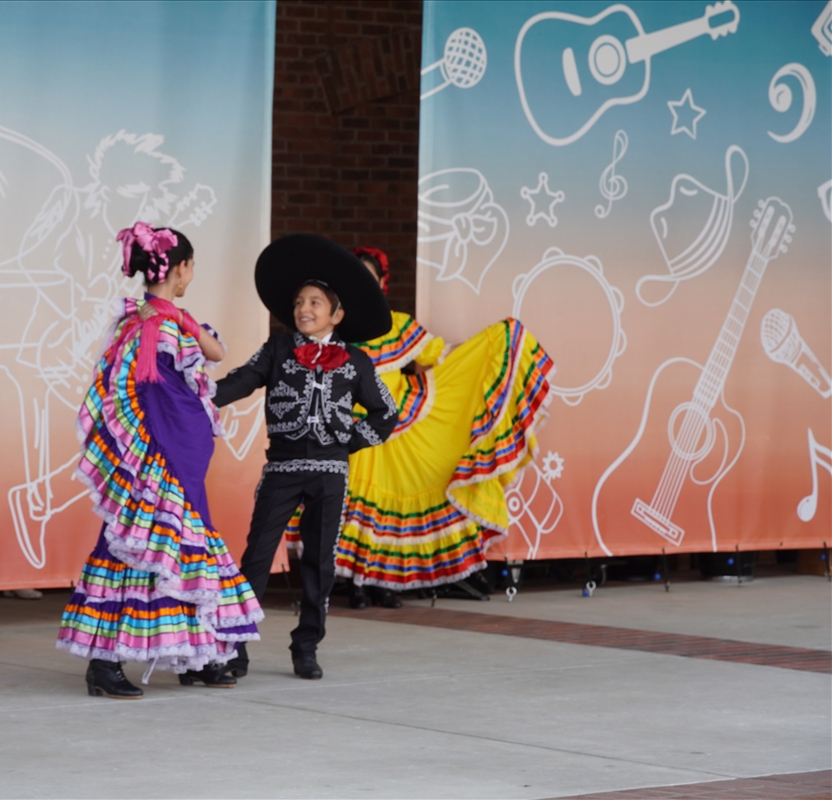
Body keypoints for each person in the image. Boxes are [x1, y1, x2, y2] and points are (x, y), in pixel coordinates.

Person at [57, 222, 262, 699]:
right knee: (138, 547)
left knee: (171, 550)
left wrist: (176, 314)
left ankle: (194, 656)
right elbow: (164, 393)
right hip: (160, 457)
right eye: (191, 267)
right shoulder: (152, 327)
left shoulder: (154, 321)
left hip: (168, 454)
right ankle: (104, 663)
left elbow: (210, 354)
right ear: (182, 268)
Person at [288, 246, 554, 606]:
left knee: (391, 513)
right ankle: (355, 586)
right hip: (351, 430)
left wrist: (488, 346)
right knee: (351, 507)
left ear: (381, 284)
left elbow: (440, 355)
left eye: (371, 278)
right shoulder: (335, 328)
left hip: (395, 426)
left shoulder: (398, 324)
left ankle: (382, 585)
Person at [214, 234, 396, 680]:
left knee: (319, 562)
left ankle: (307, 646)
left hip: (330, 474)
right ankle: (234, 647)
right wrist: (198, 396)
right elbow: (242, 380)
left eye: (315, 302)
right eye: (299, 302)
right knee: (257, 557)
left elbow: (386, 412)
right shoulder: (278, 349)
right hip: (282, 468)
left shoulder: (356, 360)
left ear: (337, 314)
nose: (304, 309)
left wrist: (348, 440)